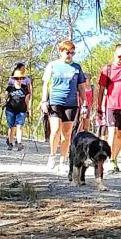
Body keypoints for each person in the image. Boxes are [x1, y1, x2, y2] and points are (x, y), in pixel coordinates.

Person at [40, 40, 88, 174]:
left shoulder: (77, 67)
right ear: (61, 51)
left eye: (73, 53)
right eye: (68, 52)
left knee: (67, 133)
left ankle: (63, 159)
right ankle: (52, 156)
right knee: (55, 129)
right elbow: (45, 84)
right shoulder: (53, 65)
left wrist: (84, 103)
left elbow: (81, 87)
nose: (70, 55)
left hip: (71, 103)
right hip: (55, 101)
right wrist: (44, 101)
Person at [96, 44, 121, 172]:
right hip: (112, 106)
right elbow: (101, 89)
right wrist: (98, 107)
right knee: (112, 133)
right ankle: (109, 159)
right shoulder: (108, 69)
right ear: (114, 54)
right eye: (119, 56)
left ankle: (115, 158)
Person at [4, 68, 30, 151]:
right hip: (10, 110)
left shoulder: (25, 88)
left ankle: (19, 143)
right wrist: (4, 100)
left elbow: (27, 100)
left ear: (22, 79)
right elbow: (5, 97)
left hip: (21, 110)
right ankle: (10, 143)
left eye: (20, 78)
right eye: (16, 78)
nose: (19, 80)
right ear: (13, 79)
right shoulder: (10, 88)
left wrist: (28, 110)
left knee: (19, 126)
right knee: (12, 127)